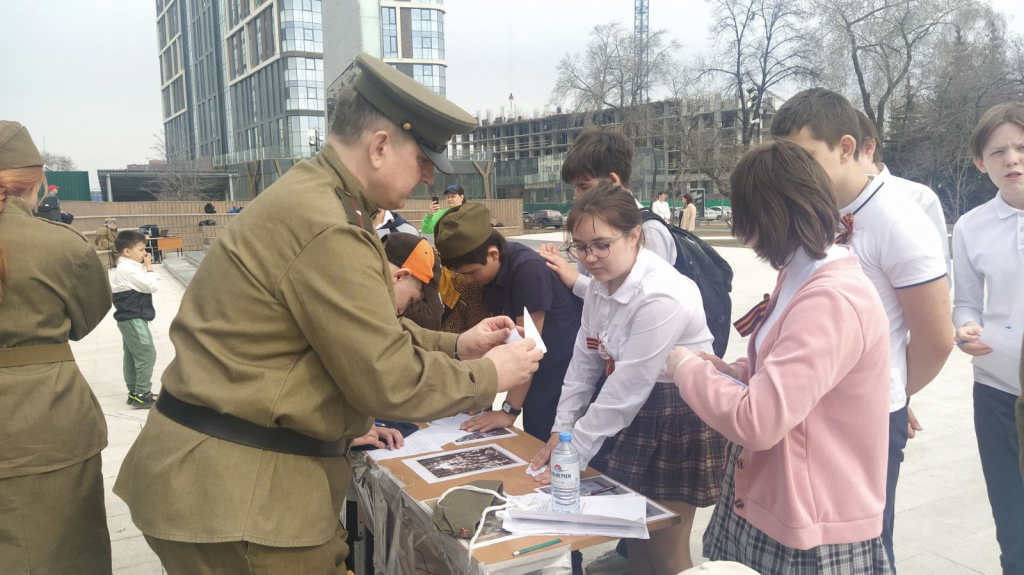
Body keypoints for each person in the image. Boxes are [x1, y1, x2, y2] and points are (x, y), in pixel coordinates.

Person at [113, 52, 543, 573]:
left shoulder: (318, 198)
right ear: (381, 146)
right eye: (425, 161)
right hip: (246, 499)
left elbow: (359, 334)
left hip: (224, 482)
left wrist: (458, 345)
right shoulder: (329, 225)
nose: (430, 179)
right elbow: (386, 379)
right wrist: (490, 374)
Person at [665, 140, 892, 574]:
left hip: (813, 523)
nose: (741, 232)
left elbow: (759, 421)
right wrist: (731, 372)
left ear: (771, 215)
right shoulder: (800, 273)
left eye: (745, 218)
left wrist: (688, 370)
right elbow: (782, 369)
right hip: (773, 499)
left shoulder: (830, 298)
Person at [771, 88, 954, 572]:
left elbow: (937, 338)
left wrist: (892, 393)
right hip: (810, 408)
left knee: (862, 548)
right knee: (817, 545)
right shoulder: (817, 210)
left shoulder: (899, 220)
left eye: (806, 157)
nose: (796, 173)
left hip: (862, 420)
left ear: (847, 147)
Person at [530, 181, 726, 575]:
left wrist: (572, 454)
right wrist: (561, 431)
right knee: (635, 535)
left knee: (667, 549)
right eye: (580, 247)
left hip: (677, 412)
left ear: (634, 235)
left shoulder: (661, 295)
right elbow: (583, 364)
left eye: (601, 244)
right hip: (635, 408)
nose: (589, 258)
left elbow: (627, 388)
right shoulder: (600, 286)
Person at [0, 121, 113, 574]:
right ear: (36, 186)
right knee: (62, 553)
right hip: (45, 424)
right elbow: (85, 320)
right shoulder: (63, 248)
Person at [435, 203, 583, 441]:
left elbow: (527, 349)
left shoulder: (528, 271)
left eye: (472, 273)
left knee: (551, 451)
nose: (469, 280)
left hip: (563, 380)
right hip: (536, 379)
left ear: (493, 254)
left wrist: (508, 411)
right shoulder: (493, 272)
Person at [950, 101, 1024, 573]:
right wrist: (965, 329)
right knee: (1013, 519)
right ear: (981, 162)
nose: (1013, 159)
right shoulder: (971, 226)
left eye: (1021, 147)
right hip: (998, 388)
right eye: (998, 152)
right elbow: (967, 302)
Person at [855, 111, 950, 279]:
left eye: (845, 150)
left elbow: (939, 281)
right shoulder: (822, 202)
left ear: (868, 147)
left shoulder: (919, 199)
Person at [112, 229, 161, 409]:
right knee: (147, 353)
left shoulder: (126, 267)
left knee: (132, 356)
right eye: (141, 250)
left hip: (129, 319)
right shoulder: (128, 270)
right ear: (127, 251)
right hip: (134, 319)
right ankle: (142, 393)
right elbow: (151, 285)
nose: (145, 253)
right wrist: (149, 267)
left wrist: (143, 262)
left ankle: (134, 391)